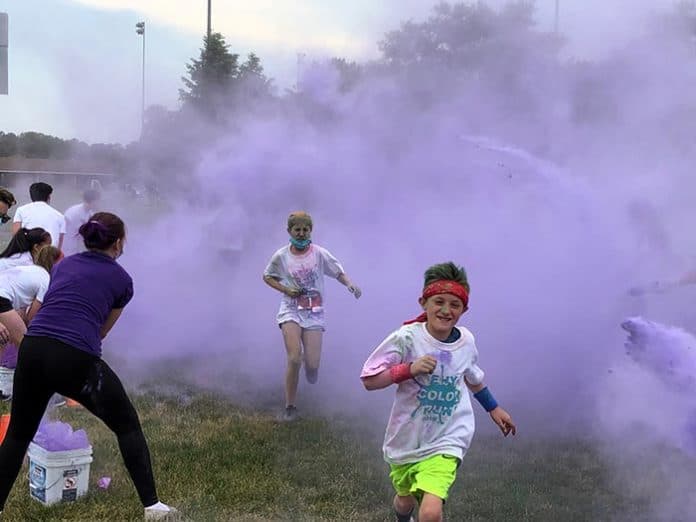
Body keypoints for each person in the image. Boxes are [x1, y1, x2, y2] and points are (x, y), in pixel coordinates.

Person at [0, 212, 178, 520]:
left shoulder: (64, 265)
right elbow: (102, 331)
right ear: (119, 242)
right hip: (74, 356)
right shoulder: (122, 279)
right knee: (127, 424)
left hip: (33, 348)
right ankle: (153, 506)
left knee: (18, 434)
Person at [360, 262, 516, 522]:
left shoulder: (466, 342)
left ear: (464, 309)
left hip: (448, 438)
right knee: (404, 499)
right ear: (424, 302)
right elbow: (370, 380)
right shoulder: (407, 337)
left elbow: (473, 378)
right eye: (439, 302)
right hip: (406, 439)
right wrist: (409, 369)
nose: (446, 310)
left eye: (455, 304)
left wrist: (494, 408)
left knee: (431, 511)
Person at [263, 211, 361, 421]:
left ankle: (311, 370)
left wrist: (350, 284)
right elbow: (267, 276)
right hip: (290, 309)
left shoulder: (319, 254)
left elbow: (338, 272)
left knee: (312, 364)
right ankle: (290, 406)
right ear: (289, 231)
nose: (301, 233)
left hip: (314, 312)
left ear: (310, 231)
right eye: (297, 229)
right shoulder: (281, 255)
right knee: (294, 357)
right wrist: (285, 289)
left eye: (305, 229)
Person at [12, 182, 66, 249]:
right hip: (50, 255)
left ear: (31, 196)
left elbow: (16, 236)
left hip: (27, 253)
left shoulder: (21, 210)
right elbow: (60, 245)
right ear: (49, 197)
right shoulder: (60, 216)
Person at [63, 188, 100, 255]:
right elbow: (63, 230)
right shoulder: (72, 212)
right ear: (92, 201)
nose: (99, 203)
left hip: (79, 247)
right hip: (68, 246)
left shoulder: (91, 213)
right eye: (97, 201)